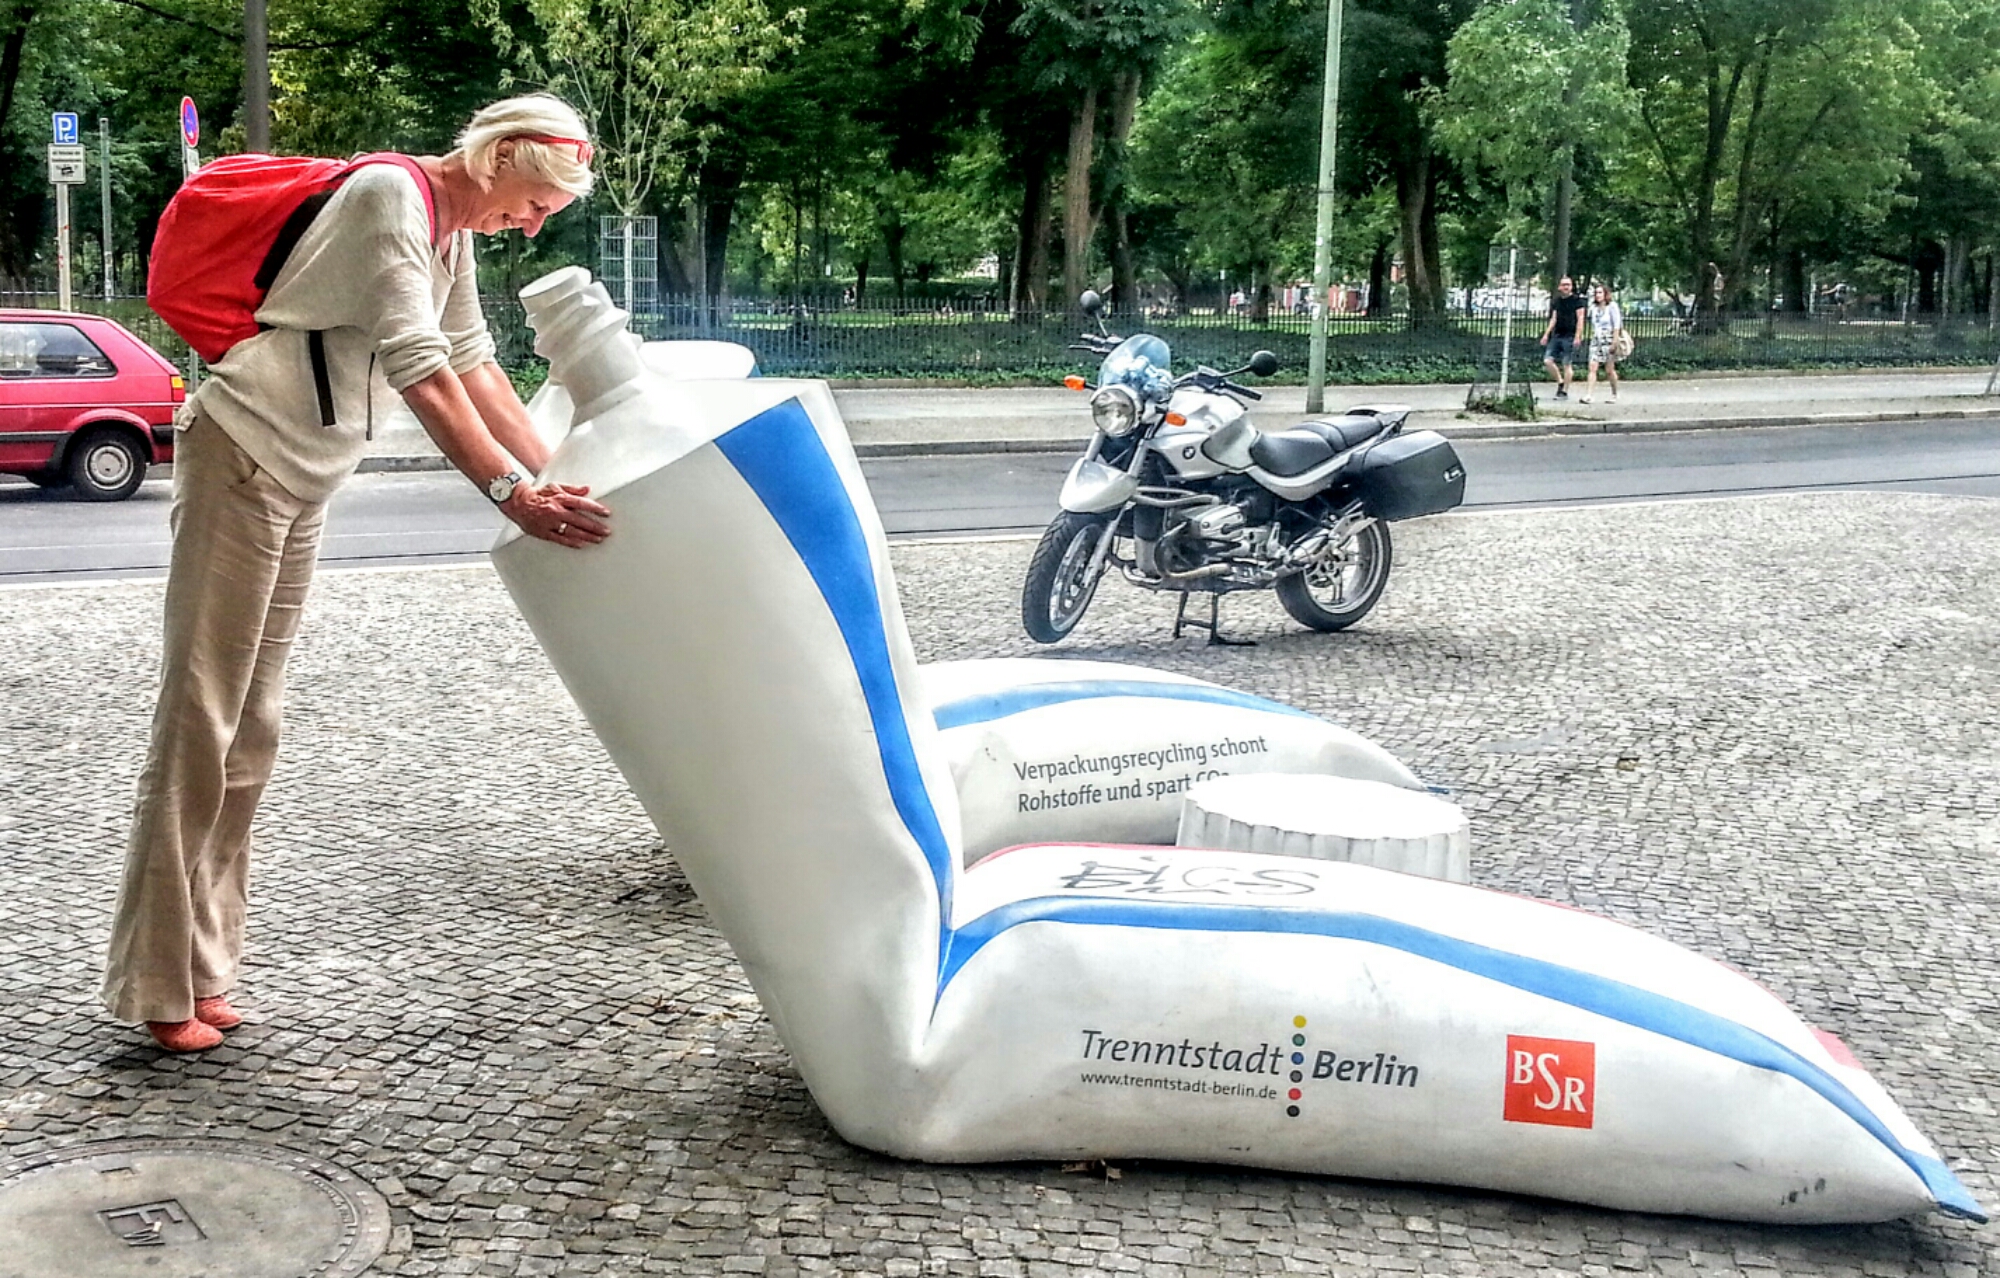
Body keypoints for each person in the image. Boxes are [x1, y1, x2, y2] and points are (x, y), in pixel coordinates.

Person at [101, 94, 611, 1053]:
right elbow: (422, 371)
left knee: (252, 728)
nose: (533, 225)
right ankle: (156, 982)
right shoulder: (391, 197)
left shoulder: (449, 231)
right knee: (202, 716)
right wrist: (513, 495)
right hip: (244, 455)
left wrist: (560, 473)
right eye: (537, 202)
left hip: (302, 473)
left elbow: (475, 362)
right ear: (500, 157)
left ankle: (204, 968)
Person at [1539, 276, 1586, 400]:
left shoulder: (1577, 301)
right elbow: (1553, 319)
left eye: (1568, 285)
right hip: (1557, 335)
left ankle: (1564, 392)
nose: (1566, 287)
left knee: (1567, 364)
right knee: (1547, 361)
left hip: (1570, 336)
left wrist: (1578, 336)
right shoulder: (1557, 301)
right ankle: (1561, 382)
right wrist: (1546, 334)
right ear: (1560, 287)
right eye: (1564, 285)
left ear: (1571, 286)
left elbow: (1580, 319)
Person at [1580, 283, 1624, 403]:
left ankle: (1615, 393)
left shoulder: (1612, 306)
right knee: (1592, 367)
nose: (1597, 295)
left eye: (1600, 293)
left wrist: (1614, 341)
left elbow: (1617, 325)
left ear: (1605, 294)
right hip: (1597, 338)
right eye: (1596, 293)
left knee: (1609, 370)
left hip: (1608, 338)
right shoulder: (1594, 308)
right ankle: (1589, 395)